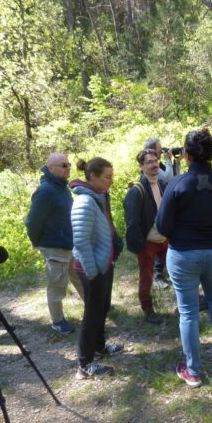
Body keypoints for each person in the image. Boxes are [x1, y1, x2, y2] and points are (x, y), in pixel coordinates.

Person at [156, 129, 212, 387]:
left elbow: (162, 226)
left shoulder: (177, 183)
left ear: (187, 155)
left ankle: (192, 371)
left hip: (183, 254)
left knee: (189, 312)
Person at [70, 157, 124, 379]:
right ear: (93, 177)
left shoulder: (98, 197)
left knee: (102, 309)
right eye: (107, 177)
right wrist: (92, 272)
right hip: (90, 269)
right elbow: (81, 242)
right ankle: (84, 365)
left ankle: (100, 347)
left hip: (102, 265)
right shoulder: (84, 202)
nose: (111, 181)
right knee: (92, 315)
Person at [25, 153, 84, 335]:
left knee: (80, 278)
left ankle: (95, 306)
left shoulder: (61, 187)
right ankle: (57, 321)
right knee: (57, 285)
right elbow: (32, 221)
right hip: (54, 246)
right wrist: (36, 242)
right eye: (64, 165)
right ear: (51, 168)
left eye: (68, 165)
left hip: (70, 244)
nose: (68, 168)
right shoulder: (45, 191)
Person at [123, 149, 169, 324]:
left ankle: (194, 300)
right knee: (146, 277)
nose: (154, 164)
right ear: (142, 167)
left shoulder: (163, 185)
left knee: (179, 271)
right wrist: (139, 245)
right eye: (149, 162)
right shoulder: (137, 191)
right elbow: (132, 222)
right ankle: (148, 309)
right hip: (147, 242)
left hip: (165, 239)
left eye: (155, 160)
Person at [143, 137, 184, 289]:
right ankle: (157, 274)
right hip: (155, 202)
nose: (163, 150)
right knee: (159, 237)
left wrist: (177, 162)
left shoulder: (160, 164)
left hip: (166, 198)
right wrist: (168, 159)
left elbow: (175, 178)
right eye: (160, 148)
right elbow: (166, 177)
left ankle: (167, 270)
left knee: (165, 238)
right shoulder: (152, 165)